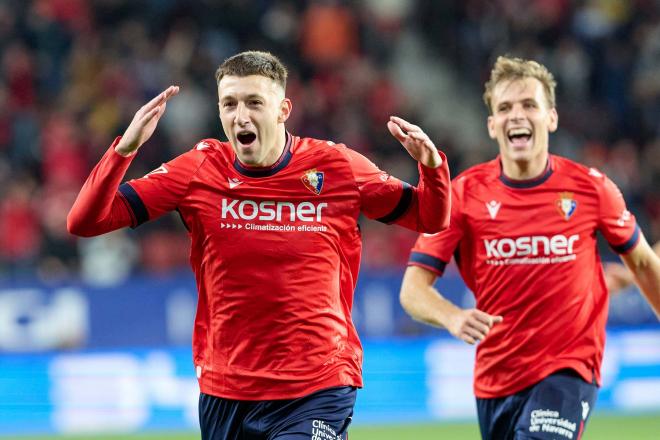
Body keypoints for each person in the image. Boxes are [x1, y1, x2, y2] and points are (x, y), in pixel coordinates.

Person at [67, 51, 451, 439]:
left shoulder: (337, 167)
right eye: (229, 104)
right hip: (226, 389)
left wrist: (432, 167)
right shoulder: (198, 170)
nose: (241, 116)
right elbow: (85, 221)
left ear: (283, 109)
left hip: (318, 384)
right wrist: (124, 151)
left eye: (254, 102)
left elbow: (430, 218)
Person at [399, 56, 660, 440]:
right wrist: (453, 317)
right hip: (496, 379)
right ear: (492, 125)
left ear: (551, 118)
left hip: (569, 368)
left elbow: (642, 262)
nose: (516, 116)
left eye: (529, 105)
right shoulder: (464, 195)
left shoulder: (592, 188)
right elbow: (412, 290)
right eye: (504, 108)